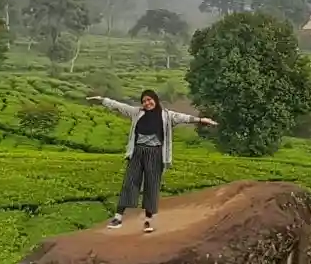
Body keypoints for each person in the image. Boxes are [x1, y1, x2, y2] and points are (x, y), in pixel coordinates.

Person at [86, 90, 217, 232]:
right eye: (144, 101)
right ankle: (118, 217)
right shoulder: (137, 112)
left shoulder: (167, 115)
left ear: (155, 99)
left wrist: (200, 120)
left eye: (149, 100)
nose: (147, 103)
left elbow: (183, 117)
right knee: (130, 182)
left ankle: (148, 221)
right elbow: (119, 106)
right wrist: (102, 100)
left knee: (152, 185)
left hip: (155, 153)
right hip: (138, 152)